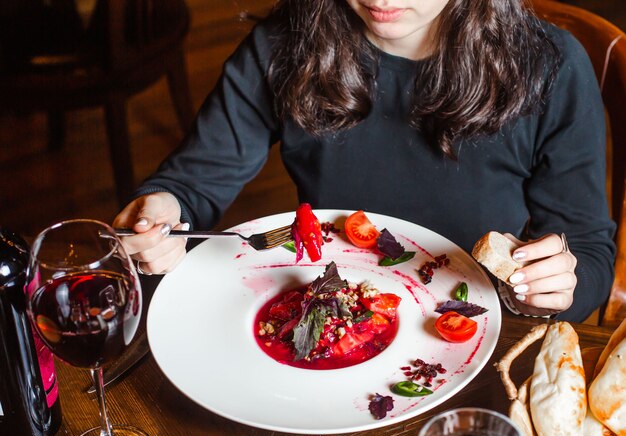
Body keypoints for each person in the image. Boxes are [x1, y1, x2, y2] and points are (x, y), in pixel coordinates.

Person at [113, 0, 615, 323]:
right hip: (333, 315)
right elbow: (192, 185)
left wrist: (556, 285)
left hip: (475, 333)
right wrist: (160, 210)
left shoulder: (551, 68)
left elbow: (588, 251)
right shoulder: (284, 47)